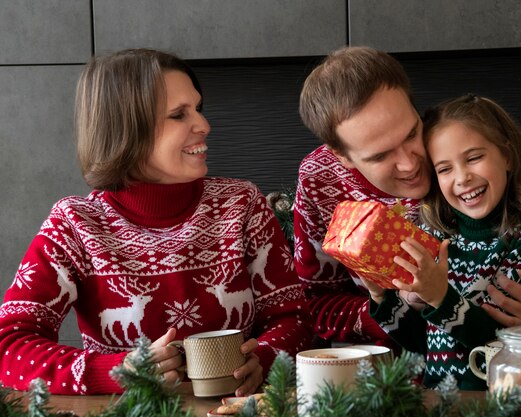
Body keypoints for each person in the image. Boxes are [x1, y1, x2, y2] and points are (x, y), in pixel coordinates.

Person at [0, 48, 312, 395]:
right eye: (179, 115)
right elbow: (9, 347)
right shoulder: (74, 224)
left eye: (198, 108)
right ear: (126, 128)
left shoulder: (242, 204)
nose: (204, 125)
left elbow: (293, 318)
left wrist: (265, 359)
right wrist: (116, 371)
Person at [293, 46, 521, 349]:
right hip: (391, 370)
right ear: (341, 156)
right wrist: (404, 304)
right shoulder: (319, 179)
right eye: (380, 156)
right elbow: (317, 304)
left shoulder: (479, 154)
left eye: (412, 133)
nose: (410, 163)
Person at [365, 94, 521, 389]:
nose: (462, 177)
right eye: (444, 169)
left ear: (507, 156)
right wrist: (382, 298)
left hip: (505, 400)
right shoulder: (435, 237)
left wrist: (440, 298)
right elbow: (425, 345)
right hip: (440, 400)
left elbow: (508, 343)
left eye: (474, 158)